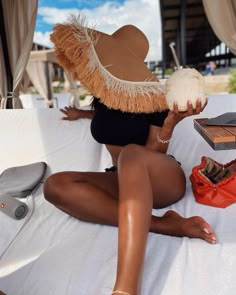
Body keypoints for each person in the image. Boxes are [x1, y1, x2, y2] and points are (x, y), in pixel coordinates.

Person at [44, 15, 217, 295]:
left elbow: (155, 151)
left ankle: (126, 289)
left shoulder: (154, 98)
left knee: (132, 155)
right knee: (55, 186)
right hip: (122, 182)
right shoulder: (104, 96)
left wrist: (170, 123)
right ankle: (166, 225)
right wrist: (81, 114)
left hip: (161, 180)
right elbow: (108, 118)